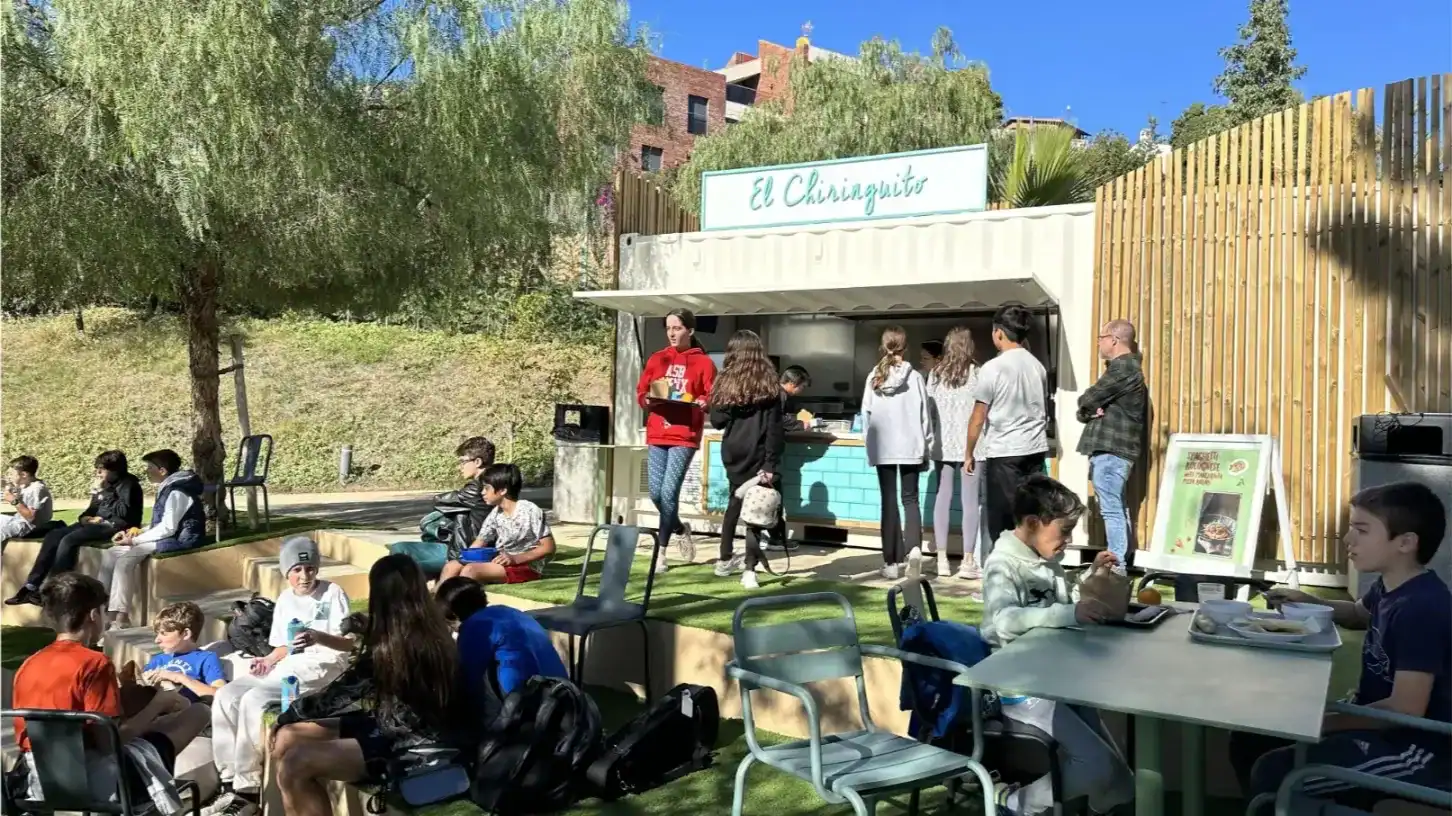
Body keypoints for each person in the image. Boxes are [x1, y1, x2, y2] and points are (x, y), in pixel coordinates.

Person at [1231, 482, 1451, 811]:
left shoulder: (1421, 608)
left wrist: (1320, 722)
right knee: (1250, 739)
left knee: (1273, 772)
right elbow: (1358, 614)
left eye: (1361, 530)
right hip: (1374, 724)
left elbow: (1405, 710)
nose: (1348, 539)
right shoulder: (1394, 586)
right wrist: (1307, 600)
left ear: (1405, 542)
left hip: (1416, 752)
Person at [980, 476, 1135, 816]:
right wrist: (1067, 611)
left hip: (1060, 682)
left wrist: (1090, 580)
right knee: (1097, 767)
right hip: (1021, 689)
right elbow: (1002, 622)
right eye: (1065, 531)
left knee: (1122, 782)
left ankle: (1091, 807)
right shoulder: (1003, 565)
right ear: (1034, 523)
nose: (1069, 540)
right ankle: (1014, 802)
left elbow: (1064, 608)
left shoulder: (1044, 557)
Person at [271, 555, 469, 816]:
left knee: (295, 763)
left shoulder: (397, 646)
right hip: (392, 724)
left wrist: (287, 715)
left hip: (413, 743)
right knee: (288, 736)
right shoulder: (423, 628)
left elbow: (339, 696)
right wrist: (367, 630)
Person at [11, 572, 210, 809]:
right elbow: (110, 742)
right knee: (199, 712)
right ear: (94, 615)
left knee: (154, 728)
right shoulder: (95, 663)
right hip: (96, 781)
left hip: (38, 781)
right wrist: (159, 703)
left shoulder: (28, 665)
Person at [207, 537, 352, 816]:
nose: (304, 576)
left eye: (309, 568)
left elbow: (348, 644)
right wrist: (269, 659)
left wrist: (317, 637)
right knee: (226, 695)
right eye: (297, 570)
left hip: (324, 665)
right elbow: (284, 644)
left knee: (253, 700)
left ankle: (247, 788)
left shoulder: (333, 593)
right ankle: (228, 782)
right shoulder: (285, 599)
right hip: (290, 665)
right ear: (287, 572)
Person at [635, 308, 716, 573]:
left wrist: (704, 402)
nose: (671, 333)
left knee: (669, 492)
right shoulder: (657, 359)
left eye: (677, 328)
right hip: (658, 431)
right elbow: (642, 391)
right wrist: (645, 399)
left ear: (690, 331)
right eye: (668, 328)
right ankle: (680, 527)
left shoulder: (703, 363)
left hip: (685, 435)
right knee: (656, 493)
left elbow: (711, 396)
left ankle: (662, 552)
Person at [9, 449, 143, 607]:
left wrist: (102, 492)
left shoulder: (129, 485)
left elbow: (124, 512)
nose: (98, 473)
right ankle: (31, 585)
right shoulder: (106, 484)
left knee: (69, 540)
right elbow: (92, 508)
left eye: (102, 469)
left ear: (114, 469)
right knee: (54, 535)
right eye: (97, 468)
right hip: (96, 523)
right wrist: (85, 517)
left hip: (117, 526)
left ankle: (54, 589)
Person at [967, 305, 1049, 557]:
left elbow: (978, 416)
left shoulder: (993, 368)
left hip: (1004, 453)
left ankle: (997, 579)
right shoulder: (1038, 366)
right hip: (1035, 451)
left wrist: (968, 452)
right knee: (1029, 520)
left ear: (999, 332)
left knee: (1000, 525)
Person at [709, 330, 786, 589]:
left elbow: (718, 421)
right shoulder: (770, 383)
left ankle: (724, 558)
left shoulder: (725, 381)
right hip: (760, 453)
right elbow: (775, 429)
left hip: (733, 453)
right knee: (756, 510)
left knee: (735, 503)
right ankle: (749, 571)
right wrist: (771, 464)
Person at [99, 448, 206, 628]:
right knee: (111, 554)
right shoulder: (167, 488)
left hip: (181, 539)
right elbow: (160, 524)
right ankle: (100, 609)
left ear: (162, 470)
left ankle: (120, 618)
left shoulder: (177, 492)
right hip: (168, 535)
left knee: (125, 561)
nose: (147, 471)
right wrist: (136, 533)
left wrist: (134, 541)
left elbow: (168, 528)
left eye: (150, 467)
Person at [861, 325, 932, 581]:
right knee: (910, 499)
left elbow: (865, 417)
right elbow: (926, 417)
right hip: (911, 446)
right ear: (905, 346)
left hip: (884, 449)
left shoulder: (874, 377)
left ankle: (891, 562)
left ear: (883, 346)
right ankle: (913, 550)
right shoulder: (915, 378)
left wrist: (870, 448)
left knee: (888, 501)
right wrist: (927, 446)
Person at [1077, 319, 1146, 573]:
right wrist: (1087, 409)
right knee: (1116, 507)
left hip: (1112, 451)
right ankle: (1119, 562)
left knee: (1111, 510)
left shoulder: (1124, 368)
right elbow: (1085, 409)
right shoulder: (1122, 369)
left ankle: (1115, 566)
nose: (1099, 341)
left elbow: (1088, 398)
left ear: (1115, 339)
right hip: (1111, 451)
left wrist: (1089, 406)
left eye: (1102, 336)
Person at [436, 576, 567, 701]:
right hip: (564, 695)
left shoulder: (474, 626)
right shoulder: (511, 612)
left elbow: (467, 682)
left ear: (453, 614)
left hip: (525, 708)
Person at [926, 327, 983, 582]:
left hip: (942, 444)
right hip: (973, 445)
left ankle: (941, 559)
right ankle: (968, 560)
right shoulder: (977, 373)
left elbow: (929, 411)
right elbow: (983, 413)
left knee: (943, 497)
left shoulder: (935, 374)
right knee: (970, 501)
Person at [438, 463, 556, 585]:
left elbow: (548, 547)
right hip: (500, 561)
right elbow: (480, 542)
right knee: (452, 566)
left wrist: (515, 559)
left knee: (470, 570)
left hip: (526, 566)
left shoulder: (529, 510)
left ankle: (461, 602)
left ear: (503, 490)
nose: (482, 492)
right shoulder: (495, 513)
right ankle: (436, 599)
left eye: (486, 488)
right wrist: (465, 557)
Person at [143, 601, 227, 702]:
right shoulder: (158, 660)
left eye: (163, 634)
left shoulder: (206, 658)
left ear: (186, 634)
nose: (156, 640)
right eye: (157, 634)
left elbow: (220, 696)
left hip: (186, 712)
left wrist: (178, 677)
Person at [435, 436, 497, 546]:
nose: (460, 467)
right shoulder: (497, 481)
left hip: (471, 550)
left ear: (477, 462)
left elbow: (441, 500)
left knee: (402, 548)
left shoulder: (477, 487)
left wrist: (435, 498)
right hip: (488, 545)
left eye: (463, 462)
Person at [1, 454, 53, 545]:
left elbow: (30, 517)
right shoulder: (26, 486)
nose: (10, 476)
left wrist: (14, 501)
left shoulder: (37, 489)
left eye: (12, 474)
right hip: (18, 520)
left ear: (24, 474)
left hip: (28, 527)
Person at [779, 365, 812, 432]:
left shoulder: (780, 393)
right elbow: (778, 418)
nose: (802, 390)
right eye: (802, 387)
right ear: (793, 384)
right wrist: (802, 424)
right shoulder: (780, 394)